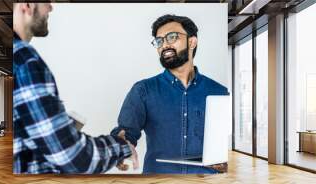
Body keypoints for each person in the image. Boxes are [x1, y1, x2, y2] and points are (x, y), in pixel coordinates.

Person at [13, 3, 138, 174]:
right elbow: (74, 158)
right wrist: (122, 147)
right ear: (28, 5)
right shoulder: (26, 62)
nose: (50, 8)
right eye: (46, 2)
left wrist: (61, 128)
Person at [111, 14, 228, 174]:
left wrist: (228, 162)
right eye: (159, 41)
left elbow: (229, 144)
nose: (164, 45)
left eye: (172, 37)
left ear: (192, 42)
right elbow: (126, 132)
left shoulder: (220, 92)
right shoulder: (143, 90)